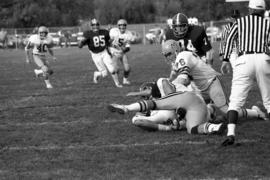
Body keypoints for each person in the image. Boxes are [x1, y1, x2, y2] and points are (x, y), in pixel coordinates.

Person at [162, 39, 268, 122]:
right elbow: (173, 77)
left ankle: (255, 112)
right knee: (196, 112)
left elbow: (183, 79)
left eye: (168, 54)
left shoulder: (182, 56)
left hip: (211, 83)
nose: (167, 57)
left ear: (175, 51)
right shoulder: (179, 59)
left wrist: (171, 87)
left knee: (227, 112)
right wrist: (166, 84)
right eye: (165, 55)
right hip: (200, 89)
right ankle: (211, 114)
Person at [220, 0, 270, 146]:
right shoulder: (267, 23)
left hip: (244, 60)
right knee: (268, 101)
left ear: (250, 10)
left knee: (235, 102)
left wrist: (224, 60)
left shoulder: (240, 22)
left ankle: (230, 134)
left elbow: (229, 39)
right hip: (263, 59)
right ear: (263, 11)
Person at [108, 78, 226, 135]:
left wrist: (167, 128)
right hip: (196, 109)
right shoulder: (175, 84)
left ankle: (126, 108)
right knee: (192, 128)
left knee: (154, 106)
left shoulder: (162, 86)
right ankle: (213, 126)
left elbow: (139, 121)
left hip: (180, 104)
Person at [78, 18, 122, 88]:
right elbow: (80, 46)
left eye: (97, 24)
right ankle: (96, 74)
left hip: (104, 52)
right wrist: (81, 42)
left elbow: (108, 42)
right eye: (93, 25)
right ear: (91, 26)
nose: (95, 26)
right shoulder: (88, 34)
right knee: (104, 74)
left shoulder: (105, 32)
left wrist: (113, 46)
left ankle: (117, 84)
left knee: (112, 69)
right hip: (95, 55)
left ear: (99, 25)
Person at [109, 19, 134, 85]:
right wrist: (114, 46)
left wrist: (124, 49)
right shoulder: (114, 31)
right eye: (120, 25)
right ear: (118, 26)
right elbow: (109, 42)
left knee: (127, 68)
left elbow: (128, 47)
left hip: (122, 52)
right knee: (116, 69)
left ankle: (125, 80)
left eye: (124, 25)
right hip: (114, 52)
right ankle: (116, 82)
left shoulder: (128, 34)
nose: (122, 27)